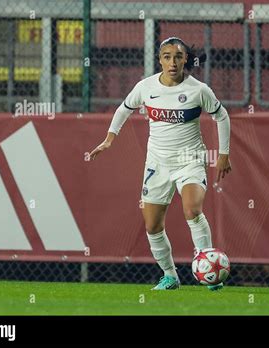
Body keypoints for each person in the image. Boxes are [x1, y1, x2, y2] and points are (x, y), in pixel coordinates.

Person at [89, 37, 232, 291]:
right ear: (160, 60)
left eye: (178, 56)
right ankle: (170, 276)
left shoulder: (198, 90)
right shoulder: (146, 87)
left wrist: (224, 154)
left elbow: (222, 115)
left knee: (192, 209)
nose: (172, 62)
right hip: (157, 163)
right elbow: (124, 108)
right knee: (153, 225)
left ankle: (208, 269)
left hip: (190, 160)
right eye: (167, 56)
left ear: (185, 59)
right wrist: (110, 139)